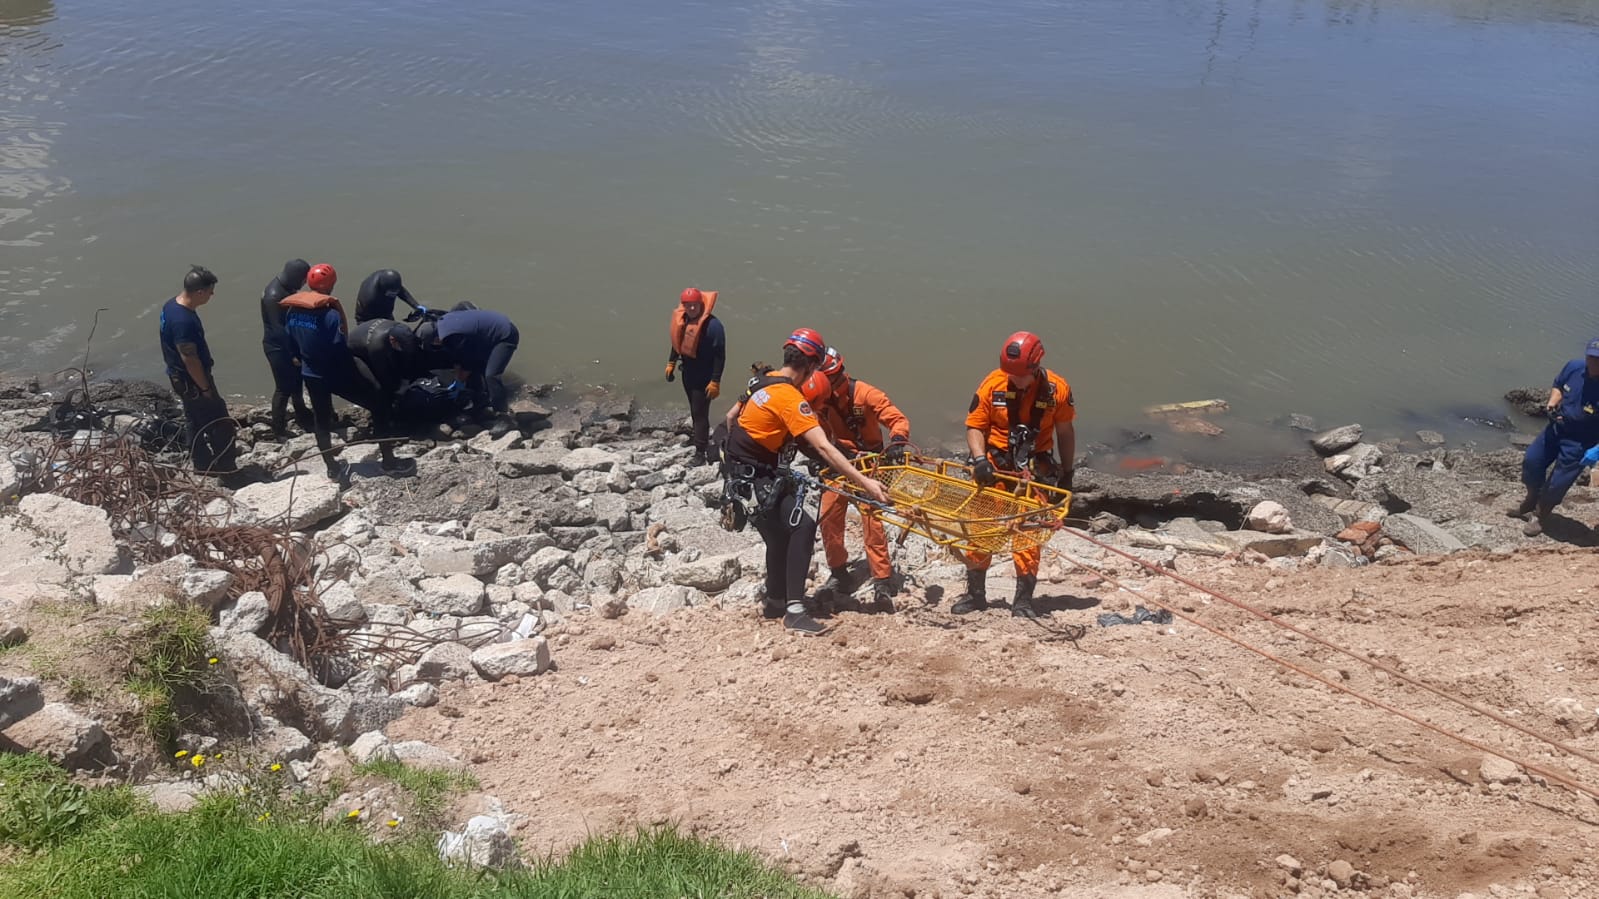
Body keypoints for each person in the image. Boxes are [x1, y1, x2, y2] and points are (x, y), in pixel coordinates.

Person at [720, 328, 890, 635]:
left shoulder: (763, 380)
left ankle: (776, 601)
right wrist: (867, 483)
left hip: (741, 474)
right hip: (758, 475)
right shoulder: (790, 398)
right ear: (811, 366)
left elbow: (731, 418)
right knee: (802, 527)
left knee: (778, 536)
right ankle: (795, 611)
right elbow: (823, 447)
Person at [952, 331, 1076, 618]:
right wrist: (979, 459)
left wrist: (1068, 472)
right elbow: (975, 426)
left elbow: (1065, 432)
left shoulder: (1057, 390)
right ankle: (975, 595)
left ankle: (1022, 601)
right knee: (981, 528)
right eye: (1012, 375)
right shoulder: (992, 384)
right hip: (995, 463)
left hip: (1034, 466)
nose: (1016, 381)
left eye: (1021, 376)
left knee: (1028, 532)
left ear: (1036, 367)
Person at [281, 263, 412, 478]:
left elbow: (290, 343)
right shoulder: (330, 315)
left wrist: (300, 358)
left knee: (321, 420)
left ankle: (332, 468)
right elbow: (339, 347)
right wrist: (354, 371)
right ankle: (389, 462)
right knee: (379, 401)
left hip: (311, 373)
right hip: (336, 371)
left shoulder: (293, 311)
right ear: (331, 284)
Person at [809, 346, 911, 613]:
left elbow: (896, 419)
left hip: (870, 465)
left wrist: (898, 441)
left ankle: (882, 579)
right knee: (829, 517)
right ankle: (839, 572)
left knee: (871, 520)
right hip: (839, 463)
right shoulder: (820, 400)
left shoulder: (865, 394)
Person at [159, 265, 237, 475]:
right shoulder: (183, 321)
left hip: (178, 377)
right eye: (210, 291)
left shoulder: (170, 306)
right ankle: (227, 469)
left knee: (193, 420)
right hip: (192, 380)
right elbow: (190, 358)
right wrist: (205, 388)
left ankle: (201, 464)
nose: (212, 295)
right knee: (220, 422)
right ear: (200, 292)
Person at [1518, 339, 1599, 537]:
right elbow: (1559, 385)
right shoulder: (1574, 367)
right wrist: (1553, 401)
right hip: (1556, 428)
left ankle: (1541, 515)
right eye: (1591, 357)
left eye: (1598, 359)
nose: (1593, 362)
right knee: (1532, 462)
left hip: (1580, 442)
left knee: (1557, 483)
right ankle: (1531, 499)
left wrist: (1596, 450)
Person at [418, 308, 520, 435]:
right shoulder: (443, 324)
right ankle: (481, 402)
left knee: (491, 375)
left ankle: (505, 419)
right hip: (487, 333)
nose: (435, 346)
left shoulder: (450, 336)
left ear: (436, 338)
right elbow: (460, 359)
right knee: (479, 367)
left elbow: (468, 362)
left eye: (433, 344)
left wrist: (459, 382)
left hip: (505, 334)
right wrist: (459, 379)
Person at [665, 287, 727, 466]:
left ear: (701, 304)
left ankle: (700, 453)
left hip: (704, 377)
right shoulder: (683, 319)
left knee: (700, 413)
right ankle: (699, 438)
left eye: (695, 305)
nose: (692, 308)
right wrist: (671, 362)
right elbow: (677, 341)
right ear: (683, 305)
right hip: (688, 372)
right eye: (688, 305)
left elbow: (720, 355)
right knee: (694, 410)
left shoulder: (713, 326)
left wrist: (715, 380)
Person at [260, 259, 312, 436]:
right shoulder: (274, 296)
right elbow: (278, 329)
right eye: (303, 280)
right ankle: (279, 429)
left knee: (297, 382)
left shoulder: (286, 287)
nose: (304, 283)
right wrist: (292, 355)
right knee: (283, 389)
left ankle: (302, 414)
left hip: (289, 344)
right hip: (277, 347)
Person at [354, 269, 428, 324]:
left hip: (384, 312)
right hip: (366, 319)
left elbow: (401, 291)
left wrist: (416, 306)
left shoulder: (389, 281)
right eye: (391, 294)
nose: (394, 296)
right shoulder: (370, 298)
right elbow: (383, 319)